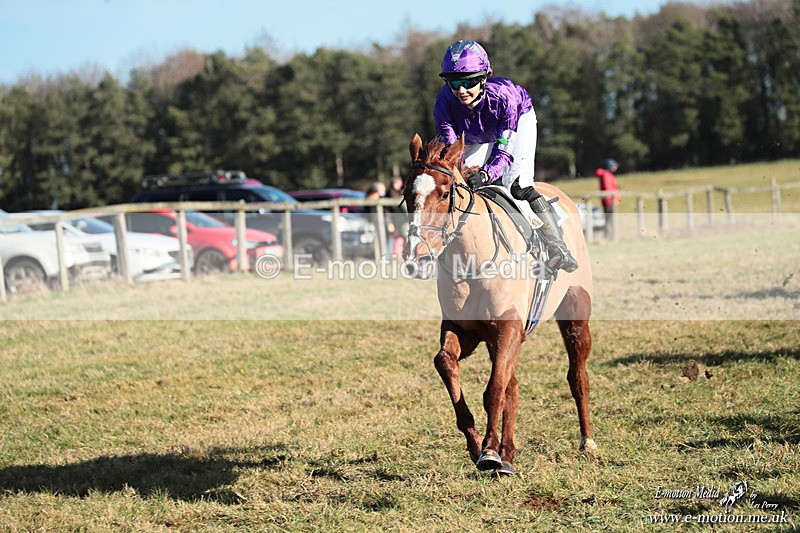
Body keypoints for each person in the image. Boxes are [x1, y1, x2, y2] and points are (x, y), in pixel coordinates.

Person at [433, 39, 577, 272]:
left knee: (516, 184)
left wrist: (487, 174)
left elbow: (504, 150)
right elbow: (451, 149)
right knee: (460, 187)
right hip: (474, 135)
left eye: (468, 81)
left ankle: (557, 245)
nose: (460, 90)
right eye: (453, 82)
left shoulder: (504, 97)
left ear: (483, 77)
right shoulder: (443, 102)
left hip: (517, 122)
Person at [595, 158, 620, 237]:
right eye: (613, 166)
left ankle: (609, 235)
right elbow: (608, 188)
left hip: (609, 200)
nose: (614, 168)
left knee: (609, 219)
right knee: (610, 219)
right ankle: (609, 235)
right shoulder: (606, 175)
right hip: (609, 201)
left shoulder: (607, 174)